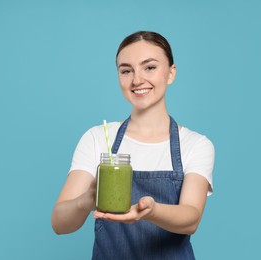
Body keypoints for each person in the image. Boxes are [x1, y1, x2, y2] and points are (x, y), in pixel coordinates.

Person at [51, 31, 215, 259]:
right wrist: (86, 201)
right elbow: (59, 223)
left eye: (149, 67)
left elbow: (191, 218)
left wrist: (151, 211)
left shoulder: (195, 144)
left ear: (171, 73)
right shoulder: (98, 138)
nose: (137, 80)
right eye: (126, 70)